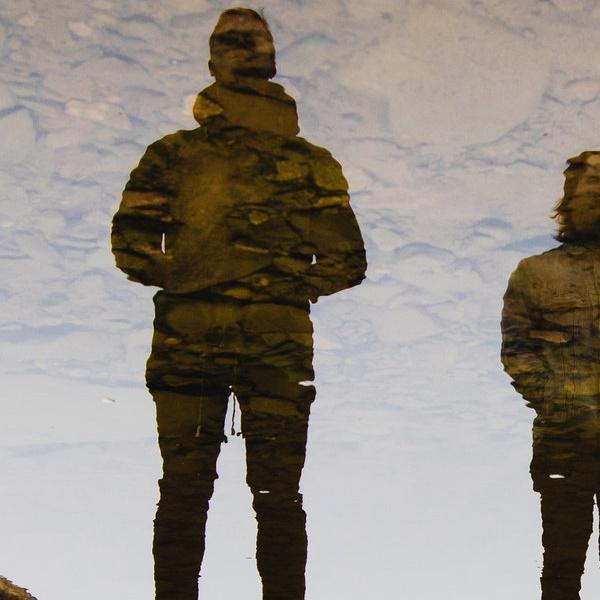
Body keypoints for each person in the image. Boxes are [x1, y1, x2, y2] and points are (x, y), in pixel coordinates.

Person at [111, 8, 367, 600]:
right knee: (195, 490)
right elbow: (131, 245)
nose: (243, 48)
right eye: (230, 39)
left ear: (271, 57)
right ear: (212, 59)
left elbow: (347, 260)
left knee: (257, 494)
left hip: (239, 344)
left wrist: (266, 285)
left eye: (253, 39)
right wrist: (220, 279)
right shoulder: (173, 155)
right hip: (213, 344)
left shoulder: (309, 162)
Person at [501, 151, 600, 599]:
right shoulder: (535, 273)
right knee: (562, 569)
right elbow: (516, 351)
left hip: (561, 437)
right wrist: (559, 403)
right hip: (564, 443)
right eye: (589, 190)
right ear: (568, 202)